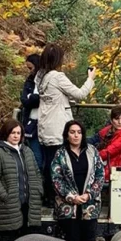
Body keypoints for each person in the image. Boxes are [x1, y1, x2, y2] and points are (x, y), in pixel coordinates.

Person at [36, 43, 97, 198]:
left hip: (45, 127)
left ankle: (48, 197)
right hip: (58, 127)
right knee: (60, 165)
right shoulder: (58, 77)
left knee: (48, 163)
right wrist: (90, 79)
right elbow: (80, 94)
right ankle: (58, 196)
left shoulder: (40, 77)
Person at [0, 119, 43, 241]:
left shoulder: (27, 151)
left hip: (29, 202)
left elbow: (36, 172)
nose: (16, 136)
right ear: (6, 133)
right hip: (10, 202)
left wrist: (38, 190)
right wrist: (4, 196)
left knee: (28, 238)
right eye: (13, 133)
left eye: (18, 133)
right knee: (7, 238)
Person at [50, 119, 104, 241]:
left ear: (83, 134)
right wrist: (71, 196)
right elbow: (56, 178)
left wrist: (89, 194)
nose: (76, 135)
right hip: (68, 206)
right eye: (72, 132)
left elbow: (100, 175)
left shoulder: (92, 151)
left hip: (89, 205)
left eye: (79, 132)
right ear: (67, 135)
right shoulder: (60, 154)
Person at [93, 105, 121, 181]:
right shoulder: (109, 130)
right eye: (117, 119)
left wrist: (91, 157)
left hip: (112, 169)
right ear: (111, 120)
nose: (120, 122)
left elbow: (108, 152)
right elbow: (94, 139)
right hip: (103, 164)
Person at [20, 53, 43, 172]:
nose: (29, 71)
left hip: (43, 122)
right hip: (30, 122)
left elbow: (40, 99)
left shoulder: (45, 79)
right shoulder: (29, 81)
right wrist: (33, 98)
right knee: (34, 154)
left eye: (30, 68)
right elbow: (24, 99)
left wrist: (32, 98)